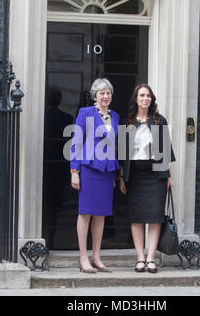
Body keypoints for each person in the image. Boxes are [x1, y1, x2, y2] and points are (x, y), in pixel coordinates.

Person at [119, 84, 175, 274]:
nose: (145, 98)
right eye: (142, 95)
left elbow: (166, 152)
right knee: (136, 218)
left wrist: (169, 176)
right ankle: (140, 258)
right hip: (134, 175)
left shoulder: (159, 121)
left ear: (151, 99)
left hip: (157, 175)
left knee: (155, 217)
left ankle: (151, 258)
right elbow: (123, 154)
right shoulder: (128, 122)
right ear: (136, 98)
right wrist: (121, 177)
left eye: (148, 95)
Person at [70, 78, 120, 273]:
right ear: (95, 96)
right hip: (89, 169)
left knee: (101, 215)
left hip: (107, 171)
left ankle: (97, 257)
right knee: (85, 213)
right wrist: (75, 172)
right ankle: (83, 258)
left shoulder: (115, 116)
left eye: (108, 93)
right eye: (102, 93)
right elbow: (76, 143)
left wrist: (115, 173)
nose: (106, 96)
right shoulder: (86, 113)